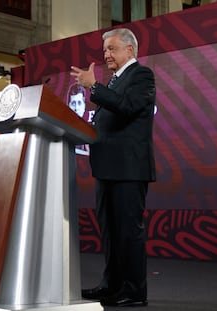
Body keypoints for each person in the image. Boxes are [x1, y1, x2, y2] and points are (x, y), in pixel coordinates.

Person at [70, 27, 156, 307]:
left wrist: (93, 87)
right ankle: (112, 285)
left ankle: (133, 291)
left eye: (112, 49)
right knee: (109, 231)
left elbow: (128, 106)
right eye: (105, 49)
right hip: (107, 168)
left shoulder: (141, 75)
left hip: (129, 169)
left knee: (128, 232)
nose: (106, 54)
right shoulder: (116, 80)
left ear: (130, 50)